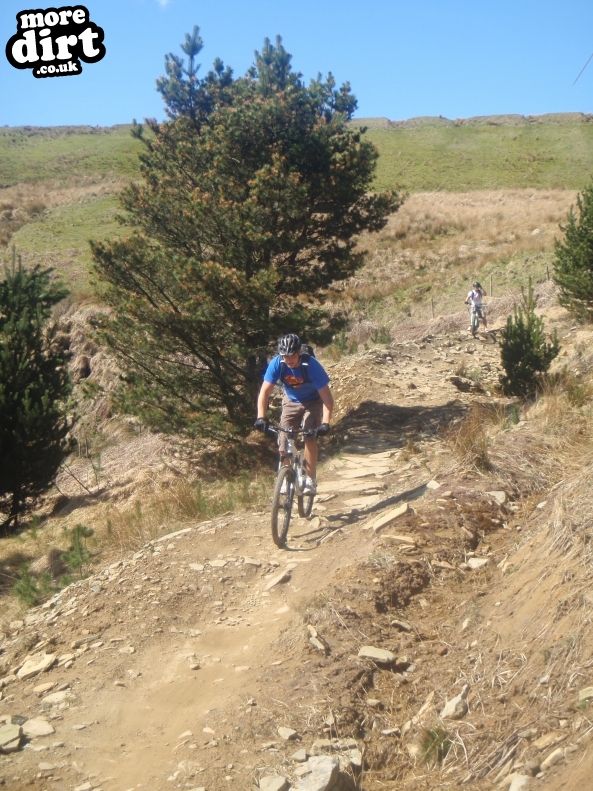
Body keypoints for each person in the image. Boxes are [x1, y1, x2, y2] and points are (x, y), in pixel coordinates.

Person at [254, 333, 333, 494]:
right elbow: (264, 392)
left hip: (313, 401)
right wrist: (260, 417)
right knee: (283, 437)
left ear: (299, 353)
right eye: (285, 356)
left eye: (292, 356)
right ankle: (286, 476)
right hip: (291, 401)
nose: (289, 359)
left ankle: (310, 479)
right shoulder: (278, 364)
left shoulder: (311, 366)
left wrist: (325, 423)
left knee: (310, 434)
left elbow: (327, 399)